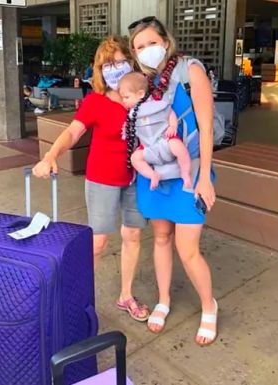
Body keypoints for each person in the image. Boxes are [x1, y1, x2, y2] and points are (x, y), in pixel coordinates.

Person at [31, 36, 150, 322]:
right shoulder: (95, 101)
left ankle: (126, 295)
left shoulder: (142, 97)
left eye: (120, 62)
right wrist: (50, 156)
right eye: (107, 64)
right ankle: (74, 298)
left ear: (131, 63)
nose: (114, 68)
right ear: (99, 69)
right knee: (97, 243)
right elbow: (73, 132)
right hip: (102, 179)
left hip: (136, 178)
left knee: (132, 235)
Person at [128, 16, 219, 346]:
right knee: (162, 238)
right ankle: (164, 299)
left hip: (188, 172)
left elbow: (206, 128)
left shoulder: (189, 70)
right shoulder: (144, 82)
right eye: (139, 47)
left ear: (165, 42)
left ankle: (209, 306)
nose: (146, 51)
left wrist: (204, 178)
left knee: (187, 247)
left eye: (151, 43)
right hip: (155, 175)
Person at [118, 72, 192, 190]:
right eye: (122, 98)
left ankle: (185, 172)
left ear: (140, 94)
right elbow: (130, 130)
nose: (123, 101)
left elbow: (169, 113)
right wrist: (126, 131)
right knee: (135, 158)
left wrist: (172, 126)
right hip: (148, 148)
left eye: (126, 97)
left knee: (179, 147)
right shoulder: (132, 114)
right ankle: (152, 175)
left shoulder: (156, 104)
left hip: (165, 141)